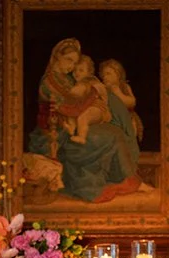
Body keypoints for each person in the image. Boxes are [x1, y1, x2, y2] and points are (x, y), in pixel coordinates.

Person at [28, 38, 142, 203]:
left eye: (74, 63)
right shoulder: (49, 81)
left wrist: (95, 101)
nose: (71, 67)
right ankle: (92, 187)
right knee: (108, 136)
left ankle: (126, 178)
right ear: (57, 56)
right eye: (69, 60)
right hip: (57, 132)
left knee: (115, 131)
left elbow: (79, 102)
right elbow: (69, 107)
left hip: (73, 125)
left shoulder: (67, 79)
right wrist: (93, 96)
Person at [63, 55, 111, 144]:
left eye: (81, 70)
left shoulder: (92, 81)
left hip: (98, 109)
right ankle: (71, 128)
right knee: (71, 114)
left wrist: (92, 89)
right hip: (83, 107)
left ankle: (82, 137)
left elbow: (101, 91)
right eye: (75, 70)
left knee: (83, 117)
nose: (77, 73)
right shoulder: (77, 84)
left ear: (89, 73)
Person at [99, 58, 144, 142]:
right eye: (103, 75)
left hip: (126, 118)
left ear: (118, 75)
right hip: (110, 120)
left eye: (108, 74)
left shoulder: (124, 87)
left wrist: (117, 92)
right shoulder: (103, 89)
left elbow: (132, 102)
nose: (105, 77)